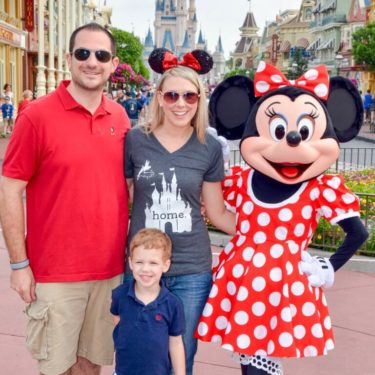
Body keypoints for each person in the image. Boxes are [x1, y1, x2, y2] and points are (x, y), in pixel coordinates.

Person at [195, 62, 368, 375]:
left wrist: (328, 267)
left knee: (261, 362)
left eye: (304, 131)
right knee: (250, 361)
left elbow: (357, 233)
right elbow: (212, 202)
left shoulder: (319, 188)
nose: (292, 139)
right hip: (243, 279)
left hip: (285, 284)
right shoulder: (242, 179)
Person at [0, 22, 130, 375]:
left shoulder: (119, 117)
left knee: (91, 366)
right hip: (55, 271)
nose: (92, 62)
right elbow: (10, 188)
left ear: (113, 64)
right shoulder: (36, 117)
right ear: (68, 58)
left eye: (101, 55)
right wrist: (18, 264)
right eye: (83, 53)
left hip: (108, 271)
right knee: (56, 368)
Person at [124, 47, 236, 375]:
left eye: (190, 96)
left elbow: (217, 213)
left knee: (181, 355)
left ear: (200, 100)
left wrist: (269, 232)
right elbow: (125, 198)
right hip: (143, 266)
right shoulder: (135, 141)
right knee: (141, 352)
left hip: (191, 269)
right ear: (159, 98)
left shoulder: (210, 147)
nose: (181, 103)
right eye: (172, 95)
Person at [111, 228, 186, 375]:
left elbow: (176, 343)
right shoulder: (120, 295)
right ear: (131, 263)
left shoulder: (172, 304)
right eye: (139, 262)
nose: (145, 269)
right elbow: (117, 320)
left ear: (165, 265)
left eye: (153, 263)